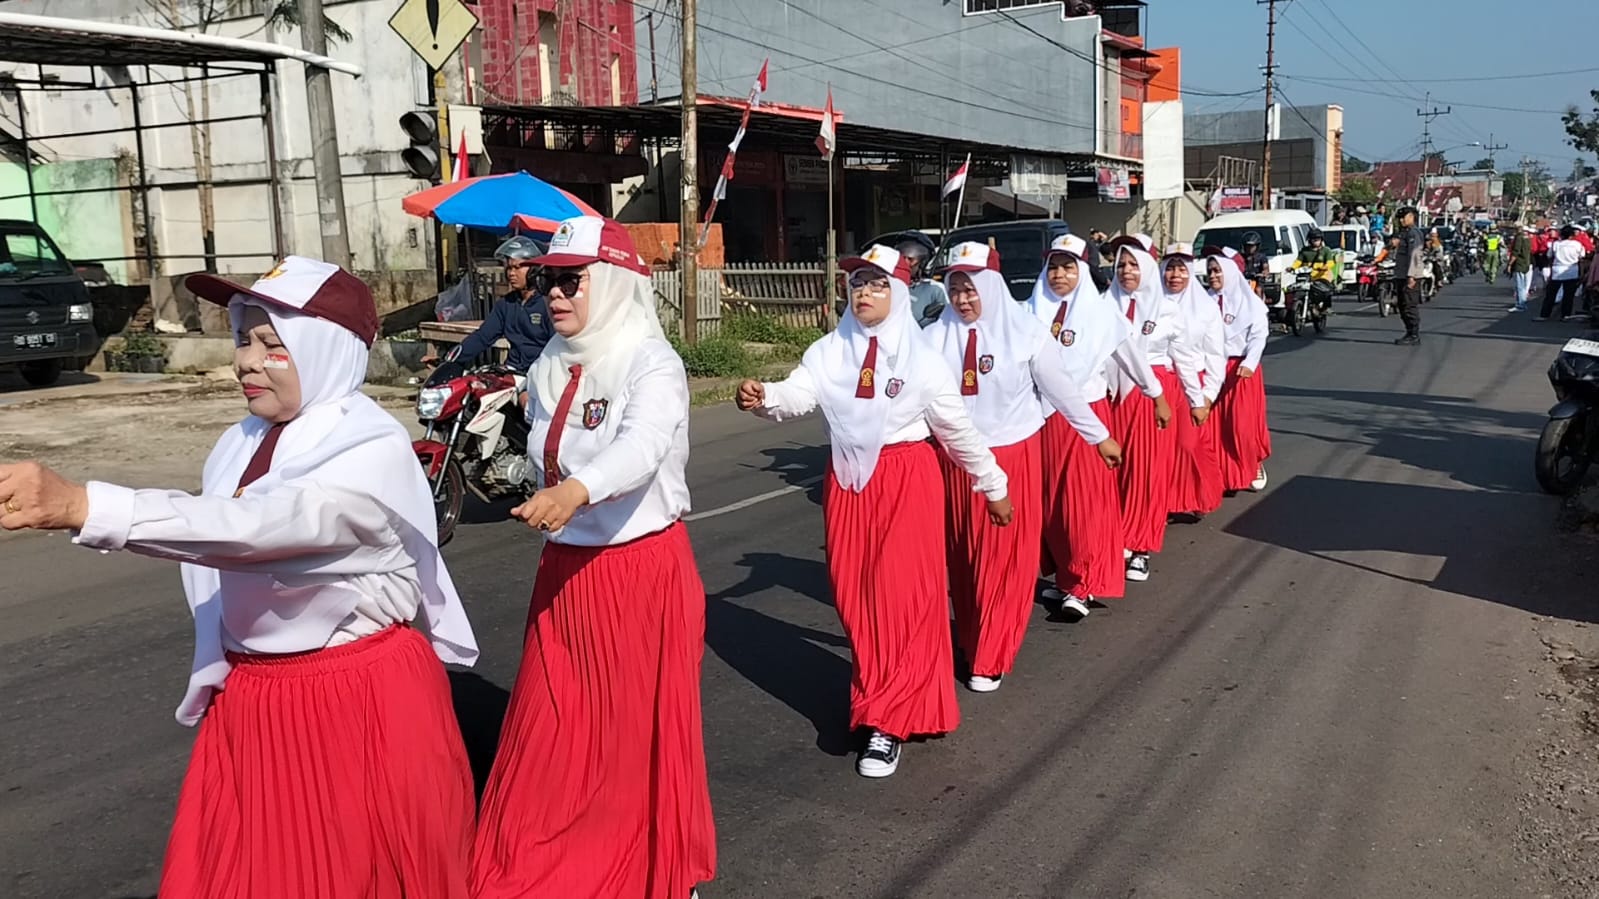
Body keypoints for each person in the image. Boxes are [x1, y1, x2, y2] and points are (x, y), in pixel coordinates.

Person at [1, 256, 480, 898]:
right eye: (242, 338)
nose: (246, 361)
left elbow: (259, 529)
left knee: (349, 873)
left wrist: (85, 506)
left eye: (272, 344)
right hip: (255, 700)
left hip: (352, 701)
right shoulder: (243, 439)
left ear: (328, 352)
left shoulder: (372, 454)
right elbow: (218, 524)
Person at [469, 217, 716, 899]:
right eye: (550, 279)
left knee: (633, 732)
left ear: (608, 282)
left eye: (571, 279)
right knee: (554, 724)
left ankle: (658, 864)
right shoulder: (553, 356)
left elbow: (639, 448)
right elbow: (546, 431)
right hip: (564, 571)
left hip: (637, 571)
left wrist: (577, 489)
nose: (556, 294)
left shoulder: (650, 362)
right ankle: (552, 853)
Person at [736, 243, 1013, 778]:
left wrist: (991, 484)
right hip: (848, 483)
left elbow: (956, 432)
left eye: (877, 283)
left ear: (901, 292)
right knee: (856, 597)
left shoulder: (924, 363)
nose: (863, 292)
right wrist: (763, 395)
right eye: (858, 282)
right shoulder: (828, 352)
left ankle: (884, 719)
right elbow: (798, 394)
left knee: (900, 599)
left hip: (907, 481)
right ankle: (886, 692)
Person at [925, 241, 1118, 688]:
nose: (962, 299)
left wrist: (1099, 435)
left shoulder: (1027, 332)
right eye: (955, 289)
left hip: (1012, 456)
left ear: (991, 287)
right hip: (955, 462)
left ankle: (991, 653)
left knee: (1006, 561)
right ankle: (973, 636)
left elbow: (1062, 390)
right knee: (964, 561)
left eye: (971, 289)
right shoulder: (933, 336)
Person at [1027, 234, 1166, 619]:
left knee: (1083, 504)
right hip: (1041, 419)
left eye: (1068, 267)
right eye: (1053, 266)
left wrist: (1155, 394)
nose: (1059, 275)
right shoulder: (1030, 312)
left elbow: (1130, 357)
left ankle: (1085, 584)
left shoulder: (1102, 316)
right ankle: (1066, 578)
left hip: (1085, 419)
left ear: (1082, 270)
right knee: (1052, 505)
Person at [1108, 239, 1205, 583]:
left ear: (1147, 269)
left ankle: (1141, 547)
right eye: (1121, 265)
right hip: (1114, 396)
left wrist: (1197, 399)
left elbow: (1185, 358)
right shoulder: (1104, 306)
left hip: (1154, 396)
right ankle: (1116, 533)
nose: (1126, 272)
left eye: (1133, 265)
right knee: (1117, 472)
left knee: (1147, 472)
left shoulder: (1166, 310)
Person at [1161, 245, 1226, 522]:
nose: (1175, 275)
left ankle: (1203, 492)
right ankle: (1167, 500)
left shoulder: (1206, 308)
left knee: (1189, 445)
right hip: (1160, 381)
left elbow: (1215, 354)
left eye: (1181, 269)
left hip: (1194, 385)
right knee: (1163, 449)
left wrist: (1208, 393)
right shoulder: (1153, 303)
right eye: (1171, 268)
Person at [437, 235, 555, 386]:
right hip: (512, 373)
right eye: (510, 268)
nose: (512, 273)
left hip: (541, 377)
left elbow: (556, 348)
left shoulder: (548, 303)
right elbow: (482, 337)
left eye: (518, 267)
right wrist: (449, 359)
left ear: (535, 270)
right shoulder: (506, 304)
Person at [1204, 248, 1272, 493]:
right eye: (1210, 271)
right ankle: (1223, 472)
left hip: (1241, 370)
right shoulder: (1205, 301)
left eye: (1217, 270)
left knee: (1241, 425)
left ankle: (1253, 462)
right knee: (1216, 425)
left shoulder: (1250, 302)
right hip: (1213, 368)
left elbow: (1258, 336)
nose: (1212, 276)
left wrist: (1249, 363)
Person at [896, 233, 949, 327]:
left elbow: (946, 321)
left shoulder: (935, 289)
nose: (905, 263)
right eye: (901, 258)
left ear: (922, 262)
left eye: (910, 259)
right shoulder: (888, 286)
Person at [1392, 207, 1427, 345]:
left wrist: (1411, 276)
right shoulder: (1404, 233)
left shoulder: (1413, 233)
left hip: (1410, 276)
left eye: (1404, 217)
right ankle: (1409, 332)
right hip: (1401, 274)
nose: (1401, 220)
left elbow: (1415, 255)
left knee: (1409, 305)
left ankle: (1414, 335)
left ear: (1412, 216)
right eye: (1399, 218)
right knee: (1402, 305)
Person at [1539, 225, 1588, 322]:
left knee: (1550, 295)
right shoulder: (1577, 244)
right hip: (1572, 271)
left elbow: (1549, 256)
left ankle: (1544, 314)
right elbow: (1582, 256)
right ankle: (1565, 315)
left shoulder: (1556, 244)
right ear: (1572, 235)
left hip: (1557, 271)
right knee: (1568, 296)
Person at [1508, 225, 1534, 312]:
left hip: (1519, 264)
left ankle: (1520, 305)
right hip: (1526, 263)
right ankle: (1522, 303)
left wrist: (1510, 264)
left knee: (1520, 285)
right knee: (1523, 285)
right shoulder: (1527, 239)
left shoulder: (1519, 238)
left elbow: (1516, 252)